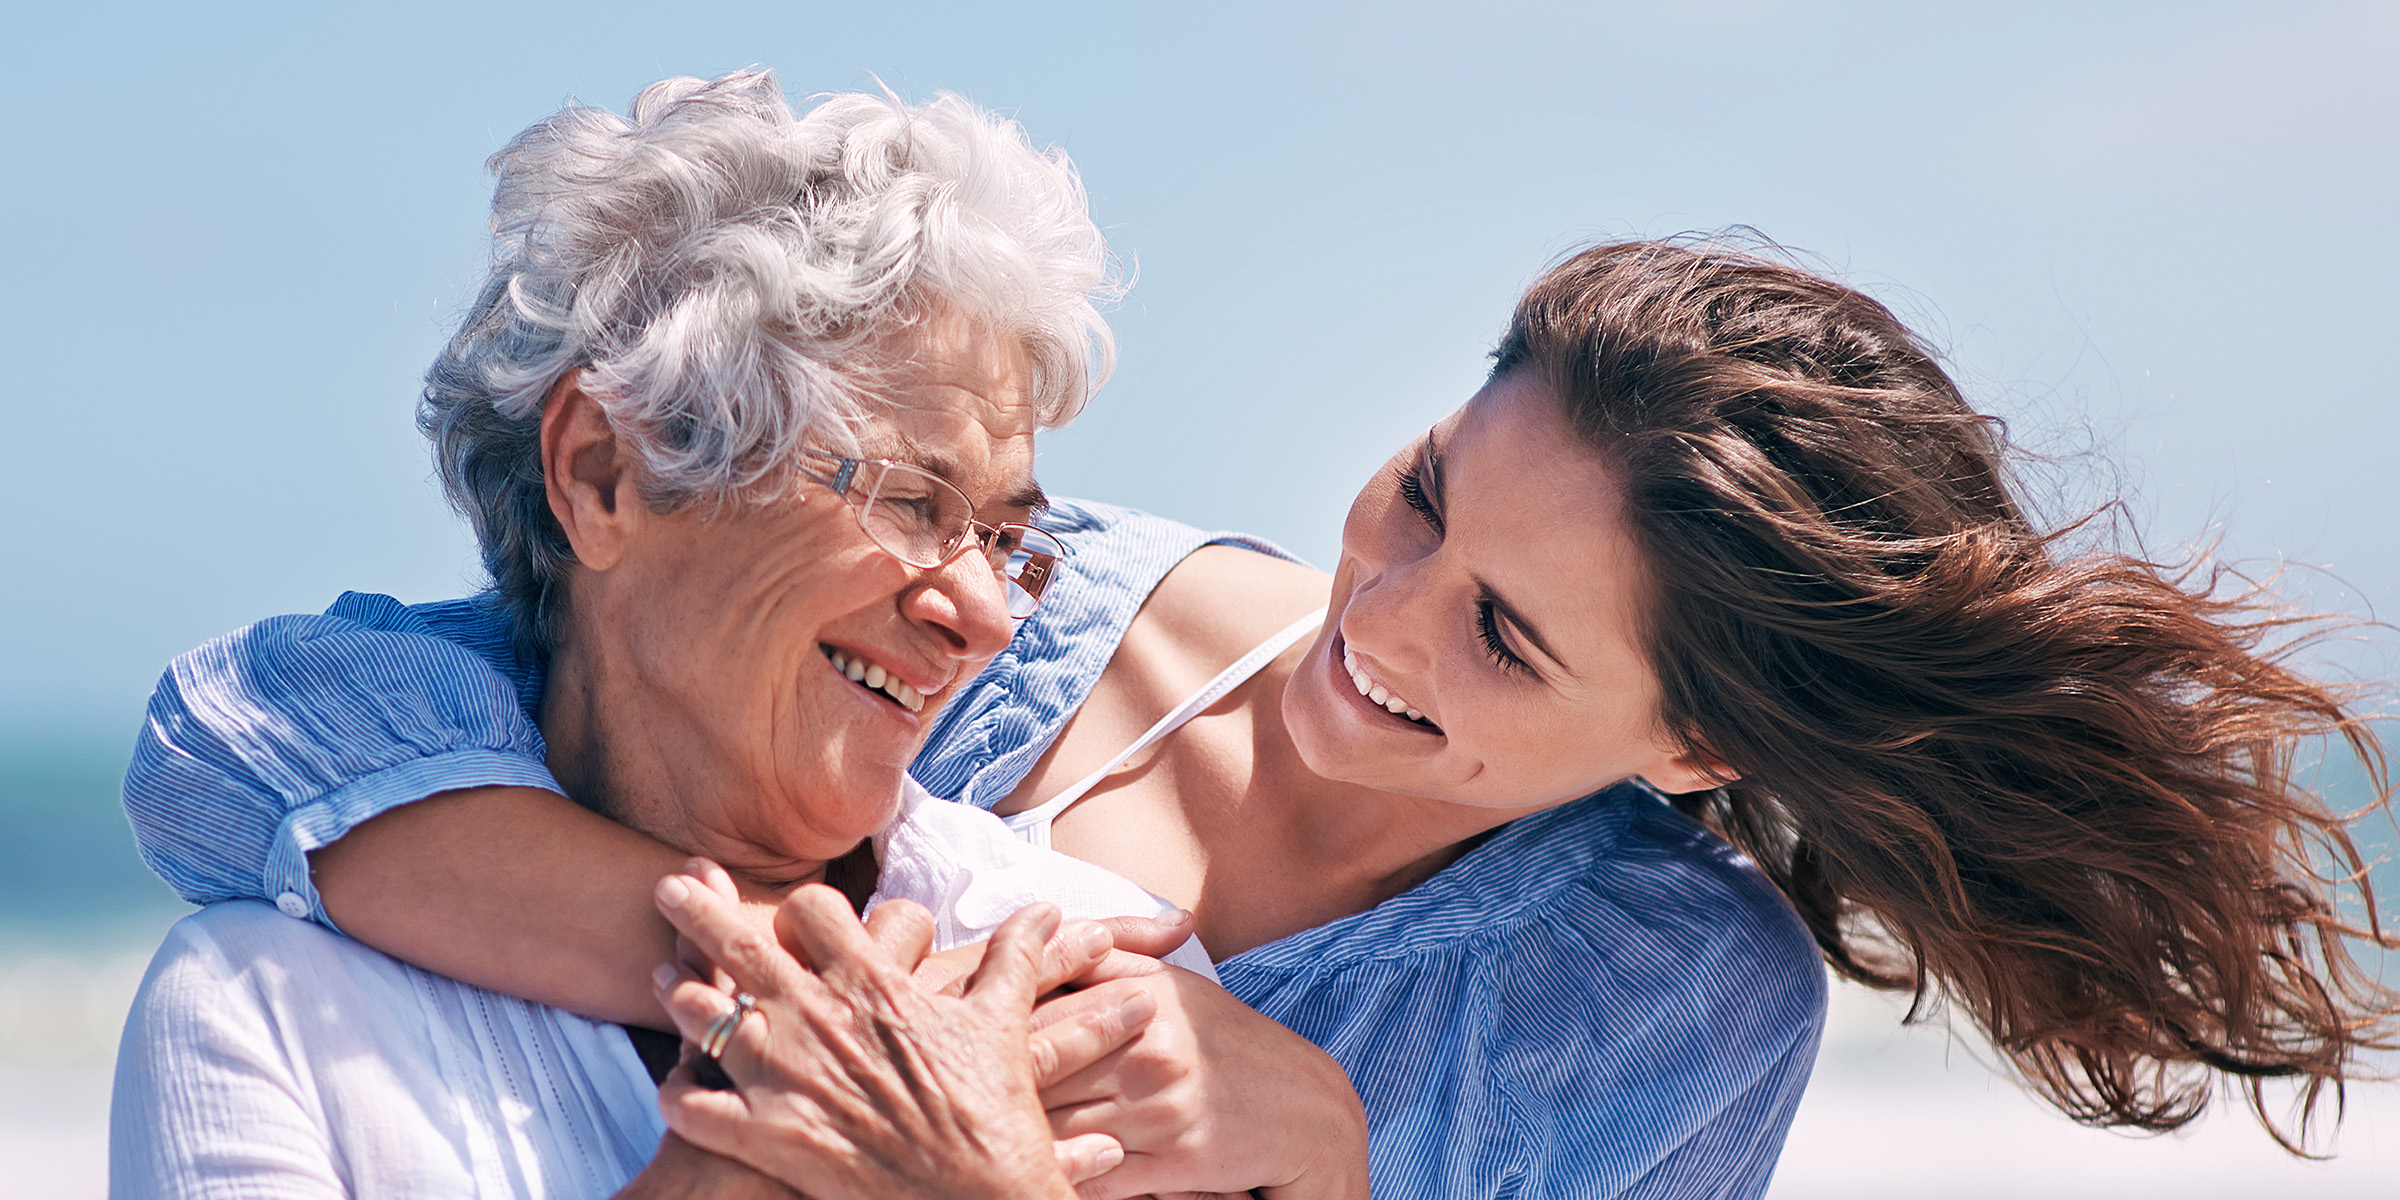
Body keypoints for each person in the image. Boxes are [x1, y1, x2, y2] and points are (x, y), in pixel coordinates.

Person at [125, 235, 2396, 1196]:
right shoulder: (999, 596)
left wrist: (1309, 1147)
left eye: (1502, 638)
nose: (1374, 618)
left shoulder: (1655, 1001)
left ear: (1693, 748)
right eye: (1415, 493)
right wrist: (810, 988)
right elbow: (257, 731)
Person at [108, 70, 1365, 1200]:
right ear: (604, 474)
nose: (982, 614)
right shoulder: (262, 1015)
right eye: (914, 502)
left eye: (1002, 536)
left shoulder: (1098, 986)